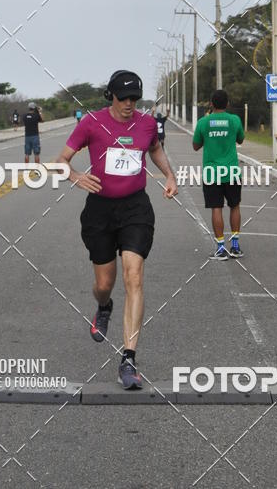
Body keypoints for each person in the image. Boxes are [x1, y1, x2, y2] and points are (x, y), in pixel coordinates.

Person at [56, 70, 178, 390]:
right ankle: (104, 305)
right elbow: (61, 161)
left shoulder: (147, 124)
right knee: (104, 283)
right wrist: (76, 176)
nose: (129, 104)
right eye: (123, 98)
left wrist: (169, 175)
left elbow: (154, 149)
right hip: (99, 210)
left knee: (133, 275)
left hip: (135, 208)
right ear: (110, 95)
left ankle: (128, 359)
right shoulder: (91, 123)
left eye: (134, 98)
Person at [193, 89, 245, 260]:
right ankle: (235, 247)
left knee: (217, 208)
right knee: (235, 206)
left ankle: (221, 248)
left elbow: (195, 146)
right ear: (227, 104)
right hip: (232, 171)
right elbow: (240, 139)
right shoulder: (235, 120)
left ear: (211, 104)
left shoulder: (203, 122)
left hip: (212, 172)